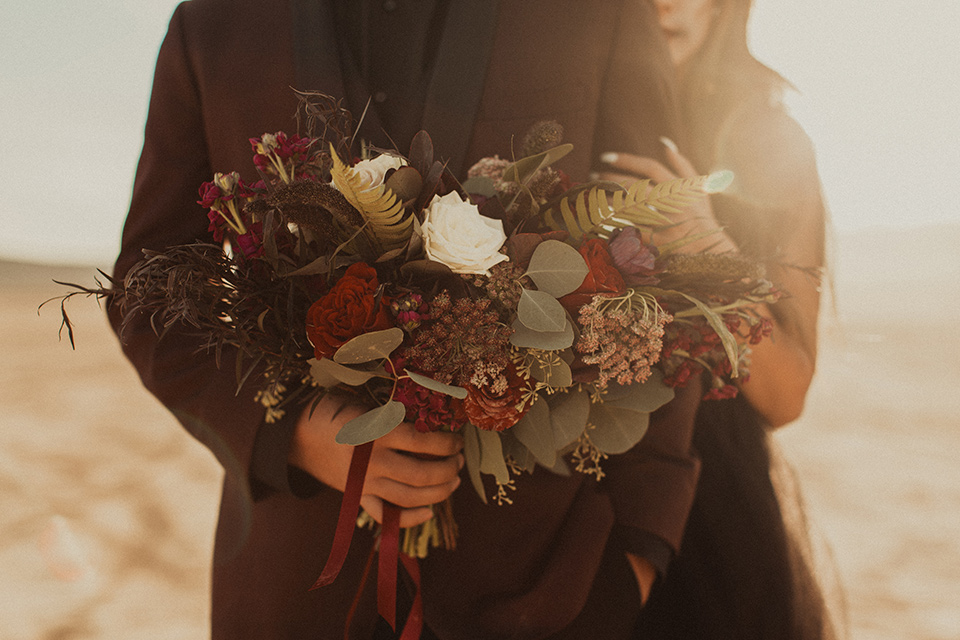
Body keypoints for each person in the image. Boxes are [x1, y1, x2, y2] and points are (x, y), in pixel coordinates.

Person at [111, 1, 704, 638]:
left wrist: (638, 556)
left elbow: (659, 273)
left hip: (545, 589)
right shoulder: (215, 25)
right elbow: (149, 290)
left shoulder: (603, 11)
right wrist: (290, 433)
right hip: (295, 593)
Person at [600, 0, 842, 637]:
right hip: (566, 498)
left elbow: (788, 391)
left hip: (712, 518)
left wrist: (706, 246)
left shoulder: (769, 139)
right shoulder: (553, 107)